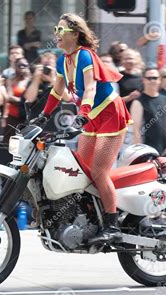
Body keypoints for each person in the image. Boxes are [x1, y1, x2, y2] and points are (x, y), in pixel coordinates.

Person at [39, 13, 131, 241]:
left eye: (61, 30)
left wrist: (82, 114)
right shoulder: (62, 60)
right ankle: (91, 214)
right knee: (81, 169)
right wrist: (43, 116)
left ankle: (112, 226)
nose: (56, 35)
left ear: (75, 34)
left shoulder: (85, 56)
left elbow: (90, 89)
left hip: (109, 113)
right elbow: (56, 91)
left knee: (99, 171)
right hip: (89, 116)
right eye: (56, 29)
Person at [130, 68, 166, 157]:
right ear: (143, 80)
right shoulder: (138, 102)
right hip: (147, 150)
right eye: (149, 78)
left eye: (155, 78)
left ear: (159, 80)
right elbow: (136, 129)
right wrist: (140, 152)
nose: (152, 80)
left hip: (164, 150)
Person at [3, 57, 31, 142]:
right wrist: (23, 101)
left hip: (27, 119)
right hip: (12, 119)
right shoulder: (10, 80)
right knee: (10, 144)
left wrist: (20, 101)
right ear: (15, 67)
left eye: (24, 65)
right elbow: (9, 97)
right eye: (19, 65)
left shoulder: (31, 81)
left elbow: (33, 100)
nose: (22, 68)